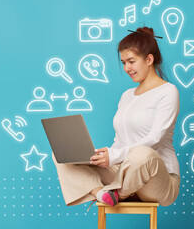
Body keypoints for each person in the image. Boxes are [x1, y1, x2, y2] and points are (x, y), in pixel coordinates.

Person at [52, 27, 181, 211]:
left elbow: (155, 138)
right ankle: (101, 193)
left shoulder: (168, 92)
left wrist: (114, 156)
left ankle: (112, 193)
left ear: (149, 59)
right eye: (123, 63)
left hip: (158, 179)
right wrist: (103, 156)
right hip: (124, 174)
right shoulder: (127, 95)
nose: (127, 68)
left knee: (142, 154)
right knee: (62, 153)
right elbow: (120, 142)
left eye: (131, 61)